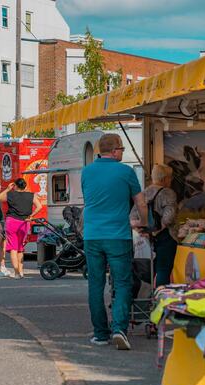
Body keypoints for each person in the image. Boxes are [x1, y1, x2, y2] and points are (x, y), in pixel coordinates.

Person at [82, 134, 147, 350]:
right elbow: (141, 203)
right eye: (121, 149)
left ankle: (100, 334)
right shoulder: (126, 172)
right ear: (114, 151)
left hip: (92, 235)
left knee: (96, 284)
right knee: (122, 283)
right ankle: (119, 329)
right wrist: (144, 223)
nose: (123, 153)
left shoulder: (86, 171)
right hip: (118, 235)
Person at [130, 164, 178, 287]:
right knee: (163, 269)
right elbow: (169, 218)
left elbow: (132, 218)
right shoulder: (168, 193)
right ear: (165, 178)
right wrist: (156, 230)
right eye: (170, 177)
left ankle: (152, 296)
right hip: (166, 237)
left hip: (148, 238)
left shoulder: (144, 193)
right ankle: (161, 300)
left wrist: (142, 231)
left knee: (153, 269)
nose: (171, 180)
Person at [0, 178, 42, 279]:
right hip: (24, 223)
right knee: (20, 248)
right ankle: (21, 272)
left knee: (13, 248)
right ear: (25, 186)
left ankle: (16, 273)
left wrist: (8, 189)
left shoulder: (11, 194)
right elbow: (39, 206)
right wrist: (31, 215)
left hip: (12, 222)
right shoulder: (31, 195)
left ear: (15, 186)